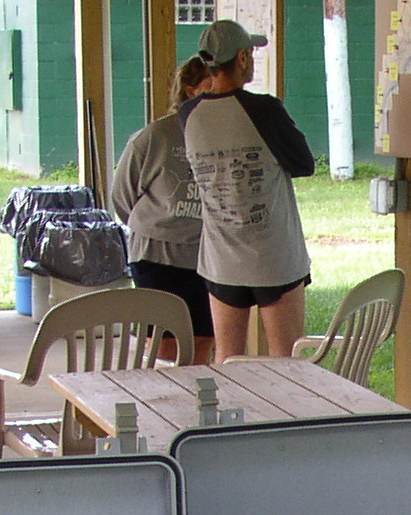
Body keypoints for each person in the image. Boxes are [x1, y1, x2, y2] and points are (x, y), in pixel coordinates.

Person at [177, 19, 317, 362]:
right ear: (241, 57)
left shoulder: (188, 114)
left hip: (221, 260)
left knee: (227, 361)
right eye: (251, 52)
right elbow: (304, 163)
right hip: (274, 258)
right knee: (286, 361)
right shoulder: (264, 109)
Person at [108, 55, 215, 364]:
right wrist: (159, 224)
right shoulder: (156, 137)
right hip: (158, 255)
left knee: (205, 337)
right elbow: (122, 196)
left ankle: (197, 402)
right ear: (191, 91)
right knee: (166, 344)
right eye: (209, 87)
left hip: (207, 255)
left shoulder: (223, 133)